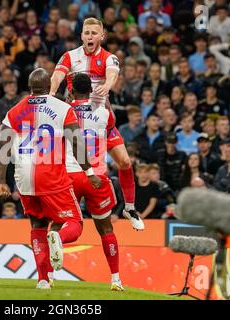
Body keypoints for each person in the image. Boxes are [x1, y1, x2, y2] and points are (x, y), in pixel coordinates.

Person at [0, 68, 101, 289]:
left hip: (23, 178)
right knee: (75, 222)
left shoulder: (14, 111)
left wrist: (0, 181)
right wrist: (90, 172)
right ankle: (59, 239)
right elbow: (76, 142)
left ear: (29, 86)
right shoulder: (62, 109)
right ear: (49, 85)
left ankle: (43, 279)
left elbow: (3, 146)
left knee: (38, 224)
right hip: (51, 176)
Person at [50, 17, 139, 223]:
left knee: (125, 162)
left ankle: (130, 208)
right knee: (66, 167)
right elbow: (57, 76)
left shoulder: (109, 58)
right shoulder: (70, 57)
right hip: (74, 123)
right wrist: (52, 92)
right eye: (86, 33)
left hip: (101, 122)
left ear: (102, 36)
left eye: (94, 33)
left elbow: (112, 75)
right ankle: (61, 213)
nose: (90, 36)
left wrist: (107, 86)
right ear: (81, 35)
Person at [65, 73, 143, 291]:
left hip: (71, 175)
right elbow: (111, 125)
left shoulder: (64, 111)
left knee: (62, 224)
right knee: (106, 230)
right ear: (91, 91)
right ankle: (116, 279)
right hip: (96, 176)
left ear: (71, 91)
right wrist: (104, 97)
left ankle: (47, 276)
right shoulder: (103, 114)